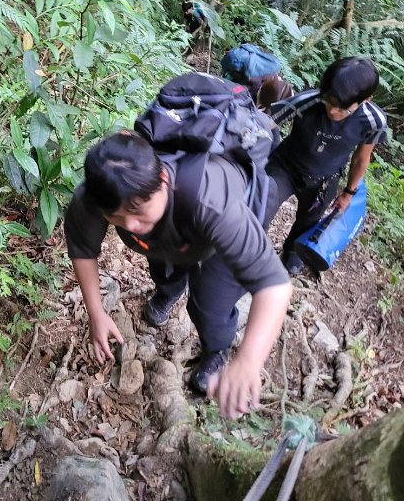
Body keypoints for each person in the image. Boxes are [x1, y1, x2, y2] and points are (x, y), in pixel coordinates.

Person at [64, 131, 292, 420]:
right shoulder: (99, 195)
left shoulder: (210, 198)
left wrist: (248, 361)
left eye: (137, 211)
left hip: (220, 231)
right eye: (116, 217)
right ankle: (169, 291)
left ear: (163, 180)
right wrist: (96, 313)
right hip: (169, 237)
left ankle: (216, 349)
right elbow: (83, 249)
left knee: (210, 304)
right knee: (162, 267)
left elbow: (274, 286)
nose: (130, 224)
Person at [265, 56, 388, 275]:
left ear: (366, 100)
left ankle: (291, 253)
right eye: (329, 102)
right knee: (262, 203)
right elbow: (265, 123)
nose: (332, 111)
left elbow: (361, 158)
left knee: (308, 220)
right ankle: (250, 247)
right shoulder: (308, 101)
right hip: (285, 166)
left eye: (343, 109)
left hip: (324, 180)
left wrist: (348, 193)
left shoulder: (373, 121)